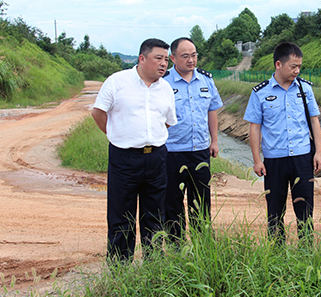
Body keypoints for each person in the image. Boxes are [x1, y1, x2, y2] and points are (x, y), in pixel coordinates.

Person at [91, 38, 177, 262]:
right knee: (121, 215)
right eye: (158, 58)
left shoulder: (166, 88)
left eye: (166, 59)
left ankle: (153, 267)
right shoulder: (117, 81)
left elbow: (167, 122)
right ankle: (120, 270)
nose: (163, 64)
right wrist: (117, 135)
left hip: (156, 158)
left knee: (155, 215)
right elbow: (98, 113)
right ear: (142, 58)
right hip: (124, 158)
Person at [244, 42, 321, 245]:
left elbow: (314, 121)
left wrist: (318, 153)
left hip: (302, 157)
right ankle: (277, 251)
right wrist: (256, 159)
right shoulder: (260, 92)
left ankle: (306, 251)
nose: (297, 70)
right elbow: (255, 127)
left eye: (299, 66)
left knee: (305, 209)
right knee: (275, 209)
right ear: (278, 64)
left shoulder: (305, 89)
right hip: (274, 160)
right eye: (293, 66)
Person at [163, 37, 223, 244]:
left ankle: (202, 242)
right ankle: (175, 245)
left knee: (201, 201)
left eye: (194, 55)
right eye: (185, 56)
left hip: (199, 150)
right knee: (172, 202)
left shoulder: (206, 80)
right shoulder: (163, 81)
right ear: (173, 58)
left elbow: (212, 111)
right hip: (171, 151)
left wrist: (214, 141)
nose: (191, 60)